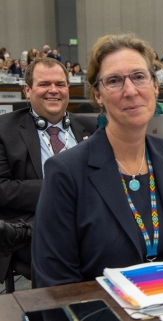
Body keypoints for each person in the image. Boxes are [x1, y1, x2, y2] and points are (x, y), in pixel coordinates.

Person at [32, 34, 163, 287]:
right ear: (98, 95)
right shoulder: (66, 172)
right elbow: (55, 282)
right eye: (114, 81)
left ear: (155, 86)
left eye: (139, 77)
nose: (130, 90)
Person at [0, 57, 96, 283]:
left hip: (91, 220)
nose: (54, 90)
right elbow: (2, 188)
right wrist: (61, 188)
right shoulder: (4, 130)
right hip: (35, 223)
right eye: (44, 84)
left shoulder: (93, 129)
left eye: (60, 84)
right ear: (27, 90)